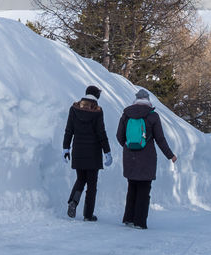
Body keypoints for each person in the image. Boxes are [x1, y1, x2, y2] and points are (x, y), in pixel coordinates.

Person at [115, 88, 176, 230]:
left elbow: (119, 136)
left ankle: (128, 218)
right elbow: (160, 139)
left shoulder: (126, 114)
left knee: (132, 187)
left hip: (130, 156)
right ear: (148, 100)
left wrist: (128, 145)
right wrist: (170, 155)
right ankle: (140, 222)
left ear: (136, 99)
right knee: (144, 189)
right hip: (147, 157)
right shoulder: (153, 116)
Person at [62, 84, 112, 221]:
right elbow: (101, 133)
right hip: (93, 152)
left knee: (80, 179)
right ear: (96, 96)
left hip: (78, 150)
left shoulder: (74, 108)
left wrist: (66, 148)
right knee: (92, 185)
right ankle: (88, 215)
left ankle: (73, 201)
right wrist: (107, 151)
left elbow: (69, 130)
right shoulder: (97, 111)